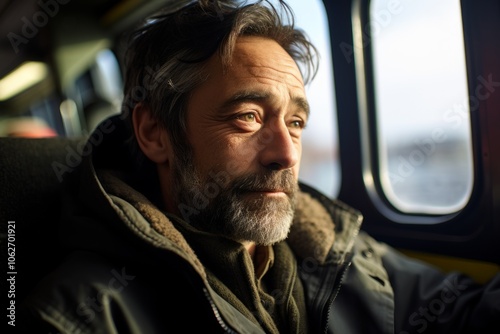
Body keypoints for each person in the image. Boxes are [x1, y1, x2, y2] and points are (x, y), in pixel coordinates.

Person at [19, 0, 499, 333]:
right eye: (247, 118)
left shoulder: (338, 249)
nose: (287, 154)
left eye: (295, 122)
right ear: (154, 133)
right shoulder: (85, 315)